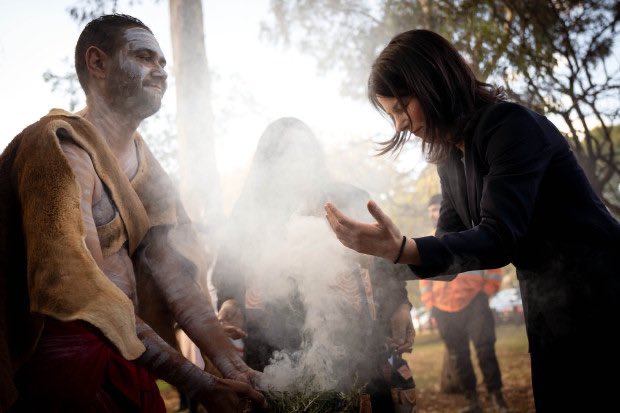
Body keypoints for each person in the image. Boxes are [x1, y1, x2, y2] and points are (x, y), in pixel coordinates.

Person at [324, 29, 620, 413]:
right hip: (548, 311)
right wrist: (378, 262)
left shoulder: (510, 127)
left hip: (604, 300)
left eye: (401, 107)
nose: (399, 125)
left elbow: (498, 238)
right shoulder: (451, 161)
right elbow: (450, 247)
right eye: (391, 113)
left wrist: (401, 249)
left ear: (432, 82)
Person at [0, 14, 263, 412]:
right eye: (144, 57)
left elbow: (174, 277)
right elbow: (81, 287)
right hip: (64, 363)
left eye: (162, 62)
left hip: (129, 353)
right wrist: (197, 381)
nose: (160, 71)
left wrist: (232, 365)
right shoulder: (58, 146)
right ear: (98, 63)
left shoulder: (147, 165)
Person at [213, 117, 416, 412]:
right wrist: (230, 301)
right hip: (274, 352)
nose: (295, 161)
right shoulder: (249, 212)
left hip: (355, 345)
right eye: (283, 152)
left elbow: (384, 259)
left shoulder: (349, 198)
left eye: (302, 150)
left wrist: (400, 305)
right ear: (267, 162)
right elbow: (228, 269)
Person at [421, 194, 509, 413]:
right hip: (443, 308)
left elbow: (492, 261)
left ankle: (497, 397)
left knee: (485, 349)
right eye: (431, 209)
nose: (434, 212)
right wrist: (431, 304)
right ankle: (473, 402)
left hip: (475, 302)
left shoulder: (471, 232)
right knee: (458, 355)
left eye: (437, 208)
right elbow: (425, 278)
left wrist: (488, 290)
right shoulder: (429, 242)